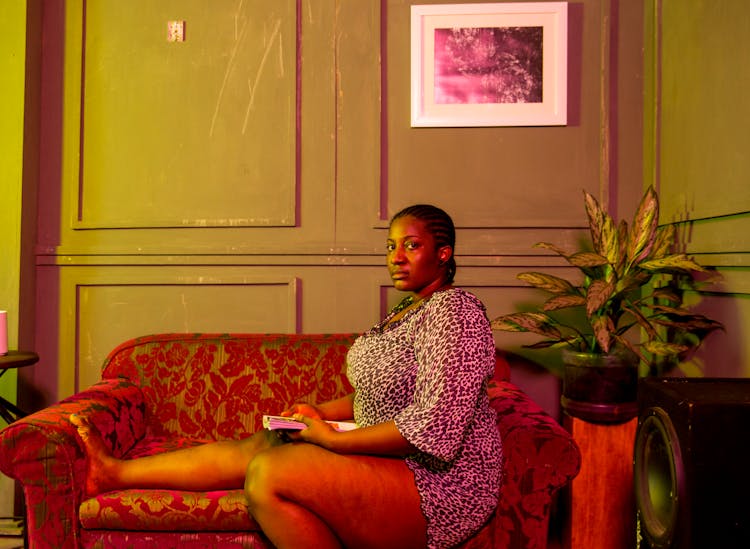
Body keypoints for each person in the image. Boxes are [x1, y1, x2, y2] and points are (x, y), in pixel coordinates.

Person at [71, 204, 502, 549]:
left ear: (443, 254)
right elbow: (380, 396)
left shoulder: (455, 312)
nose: (397, 258)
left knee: (270, 473)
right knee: (271, 441)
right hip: (395, 461)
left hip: (440, 486)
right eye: (391, 247)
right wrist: (316, 414)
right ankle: (114, 475)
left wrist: (330, 438)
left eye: (411, 246)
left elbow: (434, 427)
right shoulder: (407, 312)